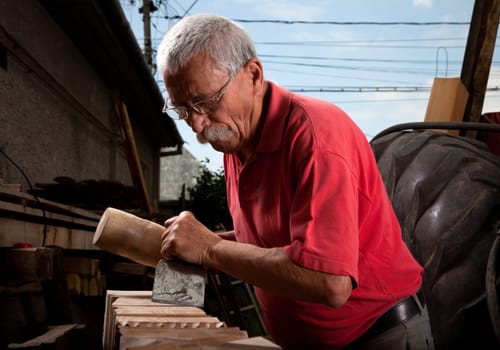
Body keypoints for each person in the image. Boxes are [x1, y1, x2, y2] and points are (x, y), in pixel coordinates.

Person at [156, 13, 434, 350]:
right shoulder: (235, 138)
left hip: (378, 337)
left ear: (253, 75)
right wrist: (200, 245)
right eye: (183, 109)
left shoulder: (315, 136)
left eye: (206, 102)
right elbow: (273, 241)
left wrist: (210, 249)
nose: (198, 125)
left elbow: (330, 283)